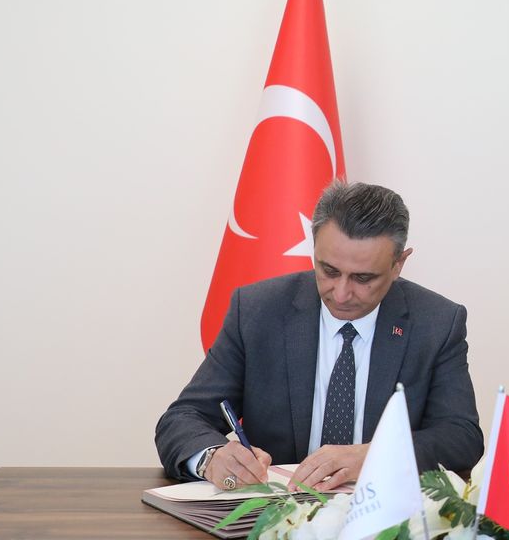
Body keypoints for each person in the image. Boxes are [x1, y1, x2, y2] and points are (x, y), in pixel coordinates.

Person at [156, 181, 482, 491]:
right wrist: (212, 459)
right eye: (329, 271)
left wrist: (377, 455)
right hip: (273, 512)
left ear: (399, 264)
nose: (340, 294)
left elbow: (461, 436)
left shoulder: (437, 322)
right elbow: (183, 418)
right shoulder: (257, 311)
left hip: (385, 513)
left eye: (363, 278)